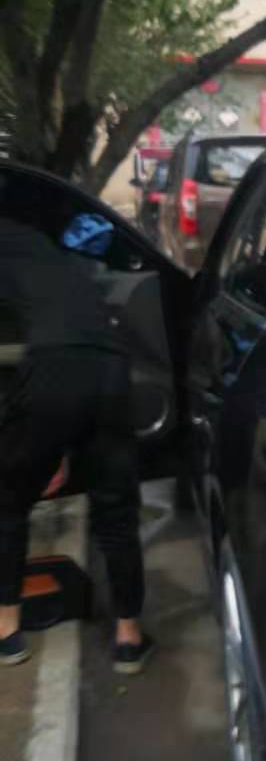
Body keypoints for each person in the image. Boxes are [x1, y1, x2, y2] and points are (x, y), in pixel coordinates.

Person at [0, 213, 153, 672]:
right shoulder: (43, 247)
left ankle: (6, 631)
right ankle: (128, 638)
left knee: (8, 502)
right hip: (110, 367)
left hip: (53, 365)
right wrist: (60, 449)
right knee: (117, 510)